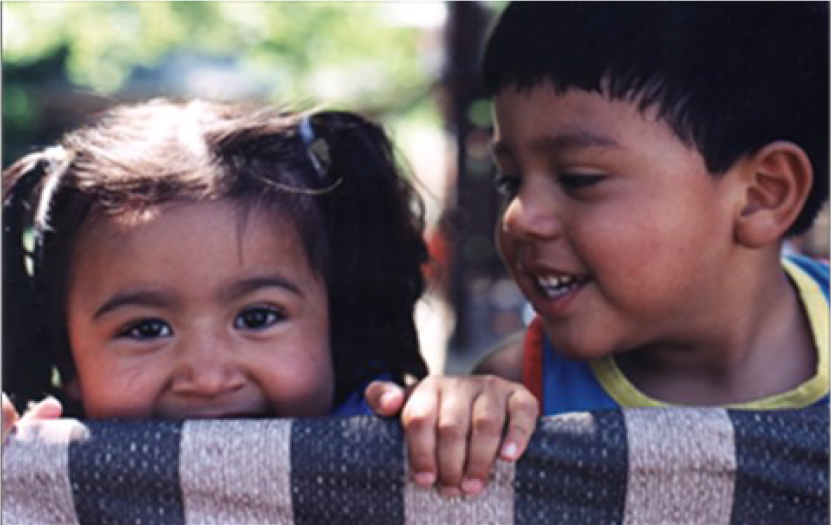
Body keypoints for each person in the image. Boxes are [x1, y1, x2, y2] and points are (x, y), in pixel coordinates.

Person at [2, 99, 538, 497]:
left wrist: (462, 412)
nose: (209, 378)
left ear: (334, 325)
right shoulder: (39, 465)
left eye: (258, 317)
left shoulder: (392, 441)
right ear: (67, 355)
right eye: (145, 328)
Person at [469, 0, 828, 414]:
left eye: (578, 179)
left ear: (763, 195)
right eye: (510, 181)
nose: (517, 217)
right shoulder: (515, 404)